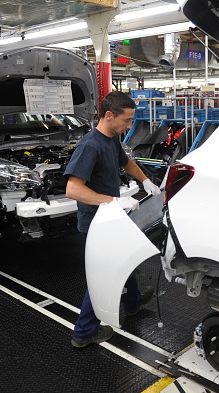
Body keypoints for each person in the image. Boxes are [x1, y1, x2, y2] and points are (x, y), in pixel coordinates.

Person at [64, 91, 161, 348]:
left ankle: (133, 303)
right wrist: (113, 201)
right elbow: (73, 189)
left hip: (111, 218)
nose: (129, 126)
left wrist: (146, 180)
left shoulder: (112, 139)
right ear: (109, 115)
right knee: (103, 276)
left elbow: (126, 162)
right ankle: (83, 334)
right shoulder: (90, 146)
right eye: (127, 120)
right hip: (97, 224)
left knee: (123, 260)